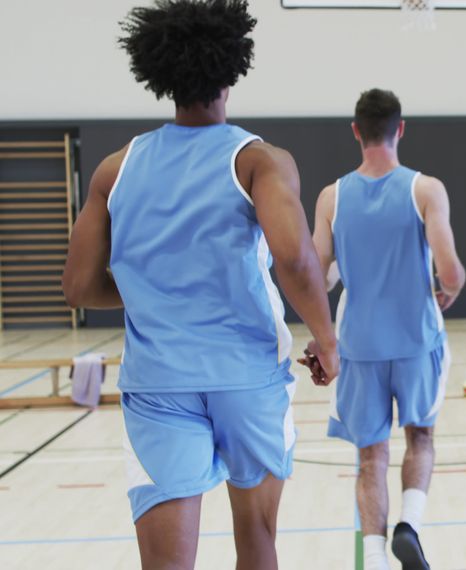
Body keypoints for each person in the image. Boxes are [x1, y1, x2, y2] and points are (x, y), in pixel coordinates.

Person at [61, 1, 339, 568]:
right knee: (258, 540)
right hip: (247, 379)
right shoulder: (259, 160)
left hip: (159, 385)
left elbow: (79, 286)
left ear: (158, 76)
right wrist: (327, 339)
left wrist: (150, 288)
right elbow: (294, 257)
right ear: (233, 69)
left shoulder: (114, 169)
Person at [311, 88, 466, 570]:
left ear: (356, 131)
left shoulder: (332, 196)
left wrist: (321, 335)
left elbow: (319, 276)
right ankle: (410, 525)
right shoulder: (425, 189)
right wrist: (448, 289)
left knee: (370, 457)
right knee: (420, 437)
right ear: (400, 129)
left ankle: (375, 558)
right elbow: (452, 271)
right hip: (417, 340)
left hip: (360, 344)